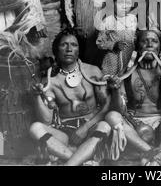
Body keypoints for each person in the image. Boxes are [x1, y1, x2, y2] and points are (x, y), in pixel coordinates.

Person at [104, 29, 161, 165]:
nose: (149, 44)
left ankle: (160, 151)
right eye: (144, 41)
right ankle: (154, 153)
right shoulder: (127, 72)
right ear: (138, 46)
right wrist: (115, 91)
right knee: (112, 116)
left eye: (154, 41)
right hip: (135, 125)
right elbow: (120, 110)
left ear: (159, 47)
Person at [29, 28, 112, 166]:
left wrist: (85, 128)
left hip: (91, 127)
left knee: (105, 125)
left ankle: (69, 163)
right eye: (63, 45)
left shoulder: (92, 71)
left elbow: (106, 105)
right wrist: (38, 96)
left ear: (79, 50)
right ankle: (80, 158)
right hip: (65, 132)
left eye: (74, 45)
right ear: (56, 50)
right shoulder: (50, 79)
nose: (69, 49)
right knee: (35, 128)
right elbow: (47, 120)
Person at [95, 0, 137, 77]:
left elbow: (134, 37)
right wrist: (113, 45)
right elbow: (99, 42)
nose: (125, 6)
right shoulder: (108, 21)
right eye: (121, 2)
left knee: (127, 82)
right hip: (113, 61)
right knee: (112, 83)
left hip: (129, 60)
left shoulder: (133, 19)